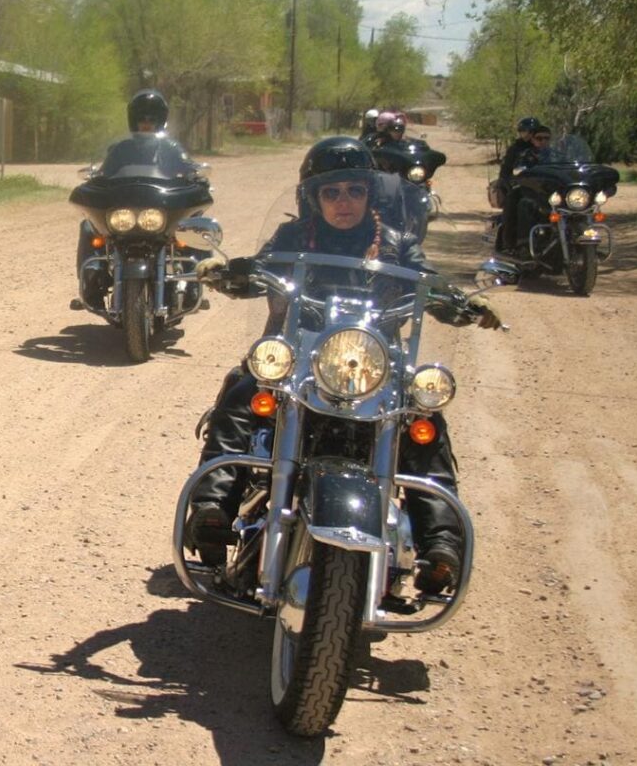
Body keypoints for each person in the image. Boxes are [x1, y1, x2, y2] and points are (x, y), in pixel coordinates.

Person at [185, 136, 502, 594]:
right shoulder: (295, 238)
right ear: (312, 198)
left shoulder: (396, 244)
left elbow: (428, 282)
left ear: (369, 194)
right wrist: (228, 271)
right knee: (242, 390)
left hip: (372, 368)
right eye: (331, 192)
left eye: (354, 190)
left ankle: (440, 549)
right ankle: (212, 511)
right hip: (301, 360)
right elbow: (261, 266)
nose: (343, 202)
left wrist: (463, 302)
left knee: (423, 421)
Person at [74, 89, 200, 308]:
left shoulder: (171, 148)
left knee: (195, 228)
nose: (146, 123)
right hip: (127, 207)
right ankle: (92, 280)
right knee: (89, 227)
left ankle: (195, 281)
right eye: (142, 118)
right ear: (133, 119)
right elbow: (105, 173)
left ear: (161, 120)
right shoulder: (121, 148)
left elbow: (189, 170)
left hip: (160, 207)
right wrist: (94, 179)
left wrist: (196, 176)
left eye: (152, 118)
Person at [500, 123, 552, 254]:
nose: (543, 141)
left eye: (547, 138)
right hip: (532, 192)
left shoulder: (557, 155)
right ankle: (522, 244)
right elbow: (517, 171)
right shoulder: (526, 155)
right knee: (524, 204)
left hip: (553, 193)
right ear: (533, 140)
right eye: (540, 138)